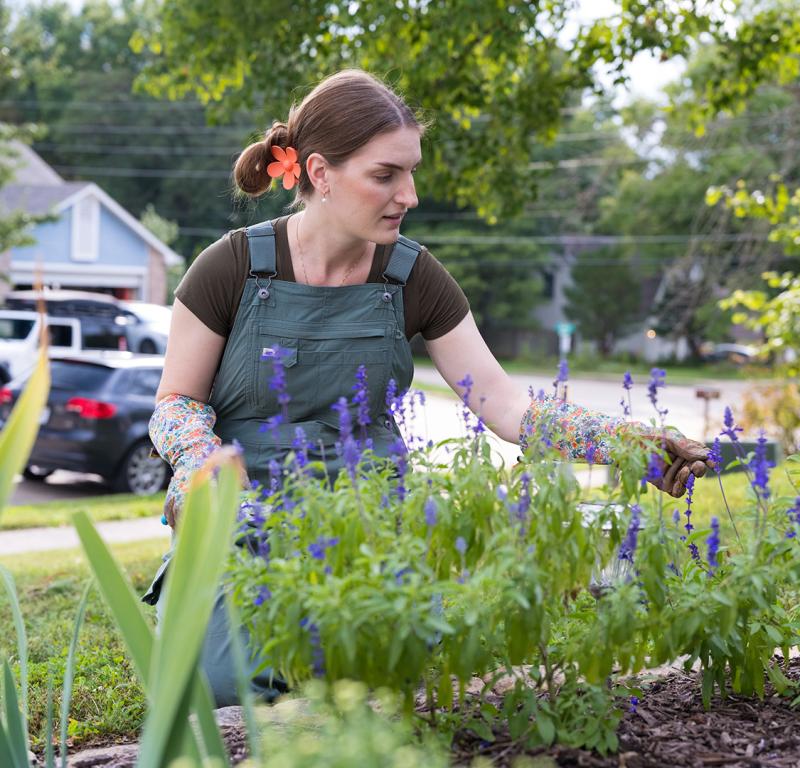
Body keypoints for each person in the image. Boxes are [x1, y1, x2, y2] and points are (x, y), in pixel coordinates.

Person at [143, 69, 709, 706]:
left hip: (375, 523)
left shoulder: (413, 277)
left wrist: (630, 444)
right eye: (385, 175)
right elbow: (176, 402)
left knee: (389, 671)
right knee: (226, 687)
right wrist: (198, 464)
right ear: (320, 172)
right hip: (242, 524)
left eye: (411, 172)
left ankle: (586, 555)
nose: (408, 194)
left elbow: (506, 404)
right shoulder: (232, 267)